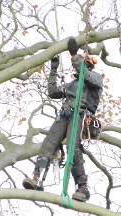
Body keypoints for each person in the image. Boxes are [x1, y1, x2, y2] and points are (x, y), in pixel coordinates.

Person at [22, 37, 103, 202]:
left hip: (81, 115)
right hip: (64, 115)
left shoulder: (95, 79)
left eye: (81, 62)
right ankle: (37, 178)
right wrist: (53, 70)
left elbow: (84, 75)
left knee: (73, 147)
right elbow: (52, 92)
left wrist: (74, 55)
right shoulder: (71, 85)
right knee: (48, 144)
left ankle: (82, 187)